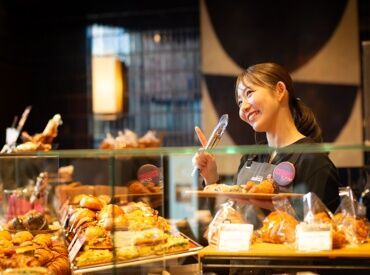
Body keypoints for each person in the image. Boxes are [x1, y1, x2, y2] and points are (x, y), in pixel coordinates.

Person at [193, 62, 342, 217]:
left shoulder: (314, 161)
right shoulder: (250, 159)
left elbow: (324, 232)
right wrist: (211, 179)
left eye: (249, 93)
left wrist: (279, 207)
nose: (243, 108)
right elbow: (230, 221)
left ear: (279, 90)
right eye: (239, 101)